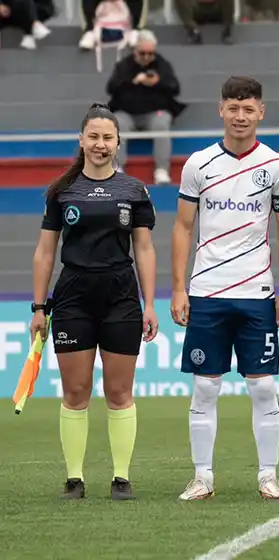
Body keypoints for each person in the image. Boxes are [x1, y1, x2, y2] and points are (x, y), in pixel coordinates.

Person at [30, 102, 158, 501]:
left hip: (121, 298)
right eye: (94, 137)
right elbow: (45, 252)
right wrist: (38, 308)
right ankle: (74, 479)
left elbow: (145, 249)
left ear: (118, 142)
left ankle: (121, 478)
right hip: (72, 299)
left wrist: (149, 303)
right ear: (81, 141)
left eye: (108, 137)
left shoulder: (134, 190)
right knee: (76, 391)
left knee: (119, 392)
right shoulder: (61, 191)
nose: (100, 144)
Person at [171, 76, 279, 501]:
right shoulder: (198, 164)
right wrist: (179, 288)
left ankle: (268, 476)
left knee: (262, 387)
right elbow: (183, 227)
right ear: (221, 110)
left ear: (261, 112)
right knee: (205, 386)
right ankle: (202, 476)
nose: (240, 116)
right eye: (233, 108)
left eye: (249, 109)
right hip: (207, 292)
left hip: (257, 293)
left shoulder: (277, 165)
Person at [107, 29, 186, 185]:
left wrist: (158, 82)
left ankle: (161, 170)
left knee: (161, 123)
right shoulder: (124, 65)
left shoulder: (162, 64)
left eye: (150, 54)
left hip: (154, 113)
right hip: (127, 113)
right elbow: (111, 88)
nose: (146, 57)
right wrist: (132, 81)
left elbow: (175, 88)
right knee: (118, 124)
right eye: (142, 53)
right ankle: (116, 169)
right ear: (135, 51)